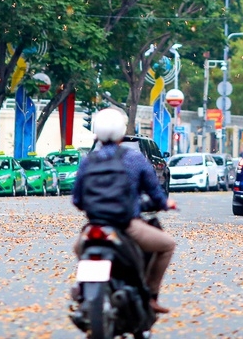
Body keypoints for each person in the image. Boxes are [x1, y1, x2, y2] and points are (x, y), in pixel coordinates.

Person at [71, 108, 176, 314]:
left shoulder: (88, 160)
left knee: (78, 249)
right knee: (167, 245)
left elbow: (77, 199)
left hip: (94, 226)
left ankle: (82, 289)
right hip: (127, 225)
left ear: (96, 133)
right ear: (121, 133)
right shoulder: (134, 159)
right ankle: (151, 297)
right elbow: (155, 191)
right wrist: (165, 204)